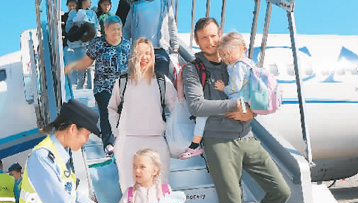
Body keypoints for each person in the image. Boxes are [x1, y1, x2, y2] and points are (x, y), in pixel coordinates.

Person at [182, 17, 291, 203]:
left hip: (246, 137)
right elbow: (197, 106)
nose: (211, 41)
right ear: (197, 41)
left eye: (214, 35)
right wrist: (235, 105)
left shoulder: (236, 61)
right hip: (219, 142)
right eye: (204, 38)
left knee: (281, 191)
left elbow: (255, 95)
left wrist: (250, 112)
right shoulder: (193, 69)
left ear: (220, 34)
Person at [108, 37, 179, 192]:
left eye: (148, 53)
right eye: (140, 53)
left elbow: (177, 109)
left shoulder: (162, 81)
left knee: (159, 191)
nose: (144, 57)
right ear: (133, 56)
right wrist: (117, 132)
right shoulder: (123, 81)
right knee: (130, 192)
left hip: (156, 142)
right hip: (128, 142)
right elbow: (112, 108)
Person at [179, 31, 255, 159]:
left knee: (203, 115)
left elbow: (235, 87)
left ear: (242, 48)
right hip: (245, 100)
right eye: (224, 55)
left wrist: (224, 88)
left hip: (239, 101)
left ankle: (195, 145)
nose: (227, 58)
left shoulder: (238, 66)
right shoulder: (248, 63)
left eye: (229, 54)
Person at [65, 15, 131, 154]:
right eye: (113, 29)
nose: (117, 32)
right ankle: (108, 143)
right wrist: (73, 66)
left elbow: (132, 66)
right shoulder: (98, 43)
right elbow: (86, 62)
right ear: (105, 30)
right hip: (103, 85)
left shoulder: (126, 45)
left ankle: (123, 140)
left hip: (122, 86)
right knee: (107, 110)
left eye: (119, 29)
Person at [122, 0, 179, 77]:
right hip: (140, 51)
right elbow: (127, 29)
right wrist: (125, 46)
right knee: (140, 81)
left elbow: (171, 25)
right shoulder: (136, 6)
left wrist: (175, 46)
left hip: (160, 50)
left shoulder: (165, 4)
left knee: (161, 80)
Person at [66, 0, 100, 89]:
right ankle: (79, 85)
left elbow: (96, 27)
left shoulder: (92, 13)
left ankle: (91, 86)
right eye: (89, 0)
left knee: (91, 65)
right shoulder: (73, 12)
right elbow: (68, 28)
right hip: (78, 43)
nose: (91, 3)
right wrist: (76, 23)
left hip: (90, 42)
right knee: (82, 64)